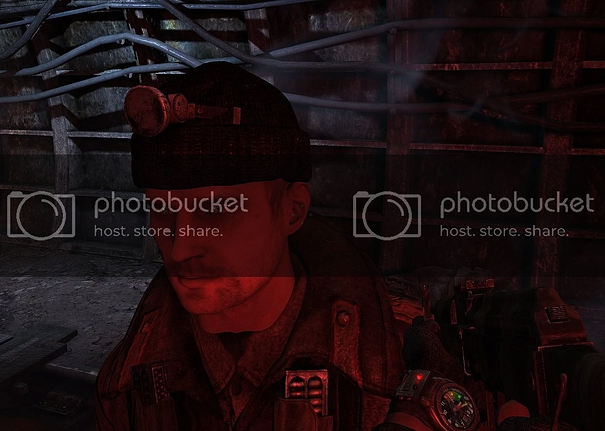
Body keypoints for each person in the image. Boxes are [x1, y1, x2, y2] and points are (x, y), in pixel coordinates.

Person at [95, 61, 417, 431]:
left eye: (217, 210)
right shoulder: (122, 386)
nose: (180, 249)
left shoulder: (386, 372)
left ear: (292, 211)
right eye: (163, 211)